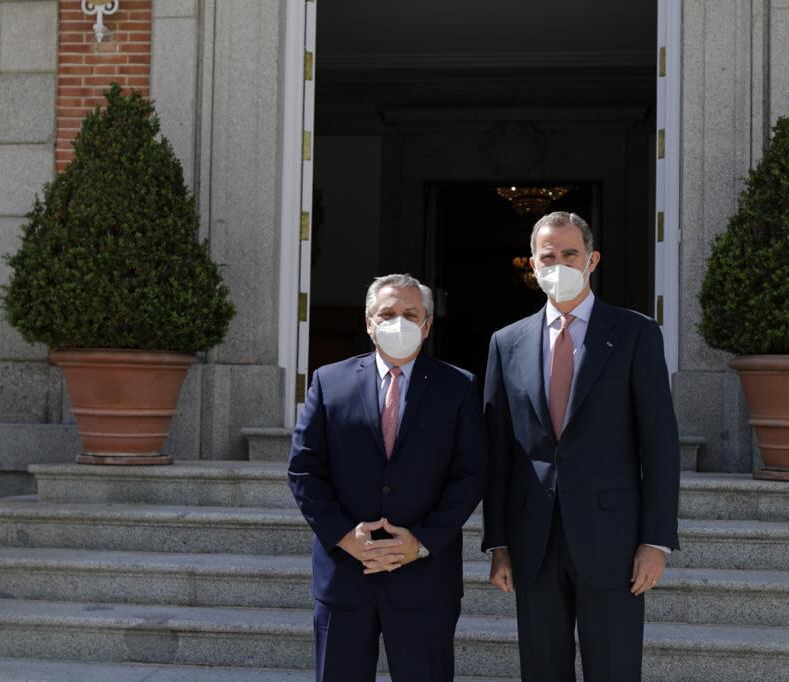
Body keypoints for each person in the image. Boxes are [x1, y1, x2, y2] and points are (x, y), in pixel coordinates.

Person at [482, 212, 680, 681]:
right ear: (532, 264)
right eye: (547, 256)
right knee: (542, 670)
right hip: (533, 541)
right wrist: (499, 544)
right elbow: (497, 452)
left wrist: (655, 542)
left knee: (613, 669)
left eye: (569, 254)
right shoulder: (506, 342)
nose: (559, 264)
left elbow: (660, 444)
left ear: (592, 259)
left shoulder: (635, 334)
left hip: (613, 541)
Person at [288, 273, 487, 682]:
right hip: (345, 576)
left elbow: (471, 475)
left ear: (427, 325)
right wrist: (345, 536)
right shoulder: (330, 381)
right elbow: (304, 469)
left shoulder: (459, 386)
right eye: (388, 313)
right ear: (368, 322)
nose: (399, 322)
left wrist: (422, 541)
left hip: (424, 580)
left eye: (410, 314)